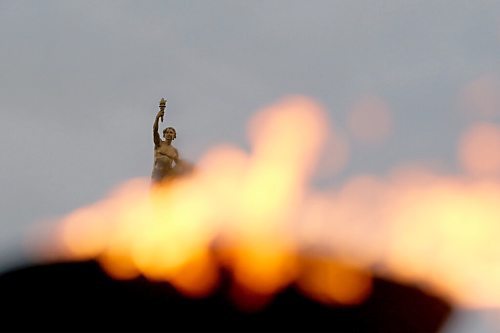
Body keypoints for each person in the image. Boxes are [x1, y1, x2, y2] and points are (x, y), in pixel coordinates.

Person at [151, 98, 179, 183]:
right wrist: (157, 118)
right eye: (167, 132)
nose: (169, 134)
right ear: (164, 134)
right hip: (157, 175)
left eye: (171, 132)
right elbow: (155, 131)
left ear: (174, 136)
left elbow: (178, 165)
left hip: (167, 177)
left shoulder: (174, 151)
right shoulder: (159, 143)